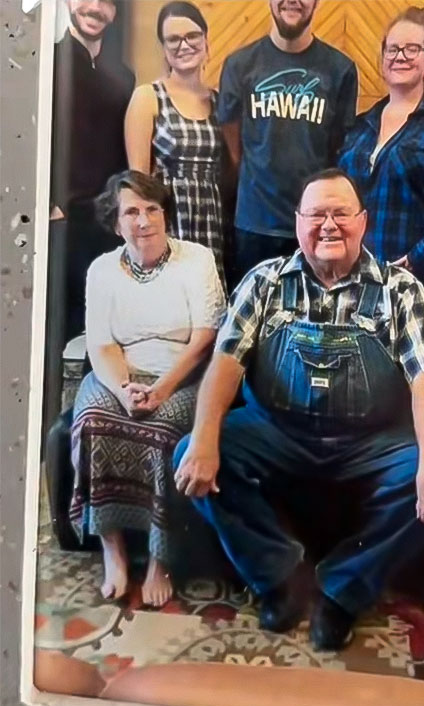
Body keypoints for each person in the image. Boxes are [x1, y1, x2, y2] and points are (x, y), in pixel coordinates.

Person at [174, 168, 424, 651]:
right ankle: (278, 577)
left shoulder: (401, 290)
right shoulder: (264, 282)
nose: (328, 225)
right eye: (316, 214)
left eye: (341, 213)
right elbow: (224, 365)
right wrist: (204, 440)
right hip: (276, 433)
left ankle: (342, 591)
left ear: (363, 222)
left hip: (370, 442)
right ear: (297, 223)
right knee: (190, 451)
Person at [69, 171, 226, 607]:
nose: (144, 221)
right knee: (93, 420)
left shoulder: (196, 260)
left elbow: (205, 338)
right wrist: (123, 390)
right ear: (116, 222)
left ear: (165, 214)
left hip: (183, 375)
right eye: (132, 212)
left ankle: (161, 558)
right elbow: (100, 343)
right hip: (119, 375)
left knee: (163, 430)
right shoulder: (102, 270)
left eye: (152, 209)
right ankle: (113, 549)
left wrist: (160, 389)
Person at [338, 6, 424, 319]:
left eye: (413, 48)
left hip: (413, 280)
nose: (401, 56)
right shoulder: (360, 125)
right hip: (352, 276)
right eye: (393, 48)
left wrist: (414, 260)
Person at [216, 0, 358, 281]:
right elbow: (232, 140)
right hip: (254, 225)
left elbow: (339, 148)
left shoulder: (340, 69)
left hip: (316, 226)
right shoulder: (239, 65)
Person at [45, 0, 135, 436]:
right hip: (59, 225)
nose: (94, 8)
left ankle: (87, 430)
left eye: (106, 3)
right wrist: (49, 200)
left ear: (115, 14)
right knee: (52, 334)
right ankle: (45, 438)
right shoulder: (47, 59)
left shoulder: (124, 77)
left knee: (101, 334)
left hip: (106, 228)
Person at [125, 2, 226, 286]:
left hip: (212, 223)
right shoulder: (148, 97)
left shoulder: (220, 101)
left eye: (191, 36)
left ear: (206, 40)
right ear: (164, 47)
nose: (183, 45)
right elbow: (138, 184)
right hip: (170, 221)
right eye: (173, 39)